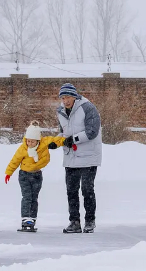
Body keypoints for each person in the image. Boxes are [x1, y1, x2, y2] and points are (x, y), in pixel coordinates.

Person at [52, 83, 102, 233]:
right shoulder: (60, 111)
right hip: (71, 157)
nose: (65, 100)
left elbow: (92, 131)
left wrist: (73, 139)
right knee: (71, 191)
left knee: (87, 189)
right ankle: (74, 222)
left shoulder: (88, 108)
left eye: (67, 97)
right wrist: (56, 141)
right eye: (62, 97)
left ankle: (90, 221)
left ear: (74, 96)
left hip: (88, 157)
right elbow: (64, 132)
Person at [4, 122, 66, 232]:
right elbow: (15, 160)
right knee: (27, 197)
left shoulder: (44, 143)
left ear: (38, 140)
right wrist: (9, 173)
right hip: (24, 175)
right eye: (28, 141)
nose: (30, 143)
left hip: (37, 175)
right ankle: (25, 219)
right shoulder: (23, 148)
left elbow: (56, 140)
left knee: (34, 198)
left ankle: (31, 219)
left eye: (32, 141)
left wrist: (66, 141)